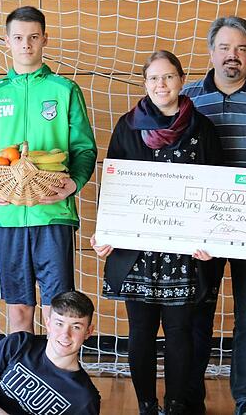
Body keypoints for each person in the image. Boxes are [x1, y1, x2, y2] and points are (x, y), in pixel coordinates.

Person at [90, 50, 223, 415]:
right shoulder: (127, 126)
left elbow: (216, 187)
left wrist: (211, 237)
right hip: (138, 252)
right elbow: (113, 186)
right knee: (141, 332)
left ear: (181, 80)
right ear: (145, 83)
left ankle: (176, 405)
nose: (161, 84)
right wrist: (106, 232)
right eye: (153, 78)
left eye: (168, 77)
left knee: (181, 332)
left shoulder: (203, 128)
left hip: (184, 253)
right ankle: (147, 405)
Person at [0, 6, 98, 333]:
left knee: (58, 309)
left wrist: (75, 182)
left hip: (52, 213)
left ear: (44, 39)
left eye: (33, 37)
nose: (26, 44)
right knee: (19, 309)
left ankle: (55, 367)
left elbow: (84, 148)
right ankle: (20, 367)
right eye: (18, 38)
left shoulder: (65, 91)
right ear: (7, 42)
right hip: (8, 215)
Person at [180, 15, 246, 415]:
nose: (232, 56)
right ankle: (190, 397)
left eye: (240, 48)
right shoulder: (188, 98)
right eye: (224, 47)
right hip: (201, 228)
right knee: (196, 311)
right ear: (211, 52)